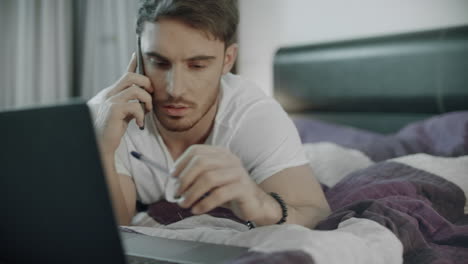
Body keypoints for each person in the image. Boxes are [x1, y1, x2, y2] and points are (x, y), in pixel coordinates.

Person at [88, 0, 330, 228]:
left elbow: (316, 214)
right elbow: (117, 232)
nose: (175, 89)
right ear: (139, 57)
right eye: (159, 63)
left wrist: (259, 203)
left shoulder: (252, 114)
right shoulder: (106, 118)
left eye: (197, 66)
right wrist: (103, 151)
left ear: (227, 60)